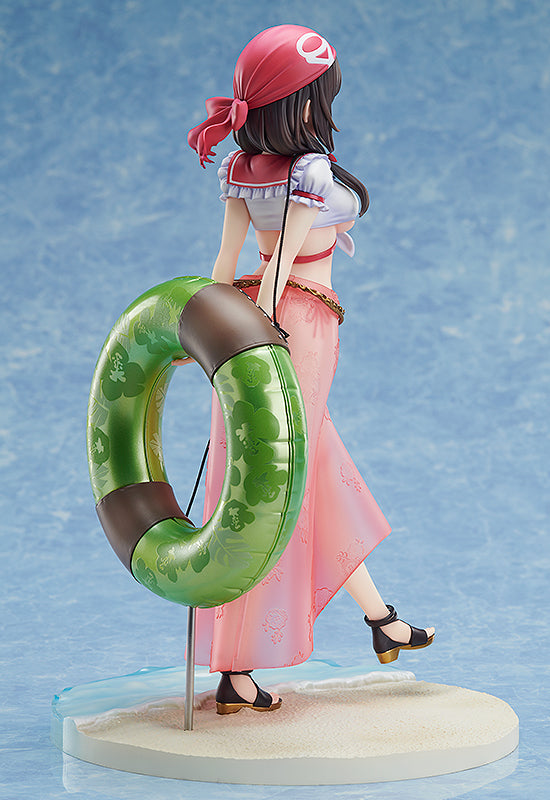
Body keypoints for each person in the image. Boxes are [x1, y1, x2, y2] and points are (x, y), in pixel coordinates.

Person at [186, 25, 434, 715]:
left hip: (248, 319)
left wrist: (213, 331)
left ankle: (377, 620)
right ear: (300, 104)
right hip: (295, 325)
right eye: (321, 96)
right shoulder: (309, 172)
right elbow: (283, 269)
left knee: (292, 474)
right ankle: (249, 662)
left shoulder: (240, 167)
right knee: (283, 481)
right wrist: (258, 337)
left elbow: (226, 265)